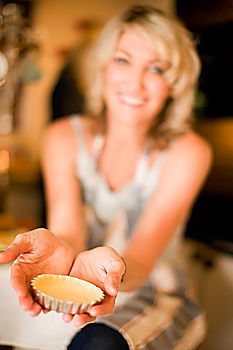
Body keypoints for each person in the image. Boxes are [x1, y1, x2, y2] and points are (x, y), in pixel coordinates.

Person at [0, 5, 212, 350]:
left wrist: (112, 270)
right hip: (74, 287)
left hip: (156, 292)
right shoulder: (63, 137)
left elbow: (141, 260)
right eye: (123, 60)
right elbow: (68, 232)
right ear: (103, 67)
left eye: (156, 68)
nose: (135, 83)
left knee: (99, 343)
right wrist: (63, 248)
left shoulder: (188, 152)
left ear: (174, 84)